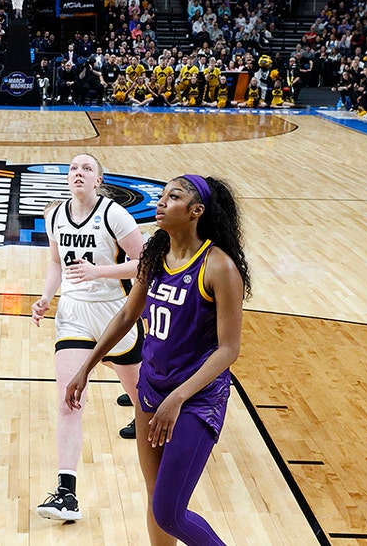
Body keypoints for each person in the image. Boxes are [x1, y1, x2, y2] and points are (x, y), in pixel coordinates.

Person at [66, 174, 250, 546]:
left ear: (196, 211)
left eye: (174, 197)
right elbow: (125, 316)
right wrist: (85, 367)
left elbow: (229, 349)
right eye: (162, 195)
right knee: (155, 504)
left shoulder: (219, 267)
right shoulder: (154, 253)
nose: (161, 202)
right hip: (152, 390)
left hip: (195, 398)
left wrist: (178, 398)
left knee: (170, 510)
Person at [31, 154, 147, 522]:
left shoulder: (114, 214)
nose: (78, 173)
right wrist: (47, 296)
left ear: (98, 180)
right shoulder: (54, 215)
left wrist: (100, 271)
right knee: (69, 399)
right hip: (74, 316)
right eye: (73, 168)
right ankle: (67, 493)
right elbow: (55, 263)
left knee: (143, 399)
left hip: (116, 315)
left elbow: (145, 263)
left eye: (87, 169)